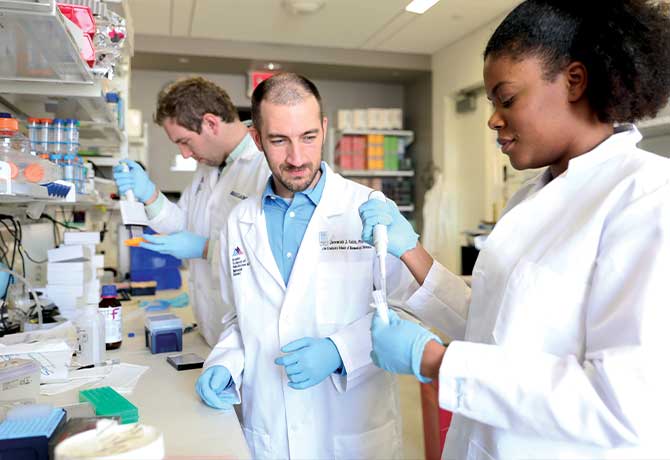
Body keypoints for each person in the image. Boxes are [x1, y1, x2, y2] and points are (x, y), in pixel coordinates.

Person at [359, 1, 670, 458]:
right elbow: (493, 323)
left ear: (574, 81)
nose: (493, 118)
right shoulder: (531, 194)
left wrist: (438, 362)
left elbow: (622, 405)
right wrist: (411, 252)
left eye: (506, 99)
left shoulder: (646, 197)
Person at [196, 73, 415, 459]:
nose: (297, 158)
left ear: (325, 129)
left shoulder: (370, 209)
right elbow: (237, 319)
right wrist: (225, 364)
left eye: (309, 137)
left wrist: (340, 350)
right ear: (257, 139)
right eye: (279, 140)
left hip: (351, 427)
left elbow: (403, 309)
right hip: (271, 427)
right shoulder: (238, 221)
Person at [113, 77, 270, 346]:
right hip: (209, 331)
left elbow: (270, 255)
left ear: (211, 123)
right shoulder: (209, 164)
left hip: (249, 339)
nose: (184, 154)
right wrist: (149, 194)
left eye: (185, 142)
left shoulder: (265, 165)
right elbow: (184, 225)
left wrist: (206, 248)